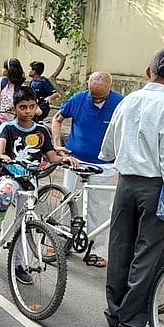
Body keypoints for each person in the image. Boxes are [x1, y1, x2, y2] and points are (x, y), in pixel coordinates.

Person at [99, 47, 164, 327]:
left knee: (120, 247)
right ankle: (131, 321)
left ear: (148, 71)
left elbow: (109, 148)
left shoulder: (128, 101)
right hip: (155, 187)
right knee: (148, 255)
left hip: (126, 183)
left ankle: (115, 312)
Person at [0, 87, 73, 284]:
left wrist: (64, 159)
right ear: (15, 108)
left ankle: (19, 266)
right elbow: (0, 147)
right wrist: (0, 155)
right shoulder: (8, 128)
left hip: (30, 182)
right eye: (23, 107)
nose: (28, 111)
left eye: (32, 107)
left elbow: (51, 156)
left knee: (25, 226)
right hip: (10, 176)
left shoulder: (42, 131)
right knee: (5, 195)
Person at [51, 72, 123, 267]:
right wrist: (58, 145)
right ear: (87, 87)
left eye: (101, 97)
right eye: (94, 96)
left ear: (110, 88)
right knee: (70, 203)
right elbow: (57, 119)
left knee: (99, 210)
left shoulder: (120, 103)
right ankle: (62, 241)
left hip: (104, 165)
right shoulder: (78, 99)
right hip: (76, 161)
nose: (97, 100)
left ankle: (95, 251)